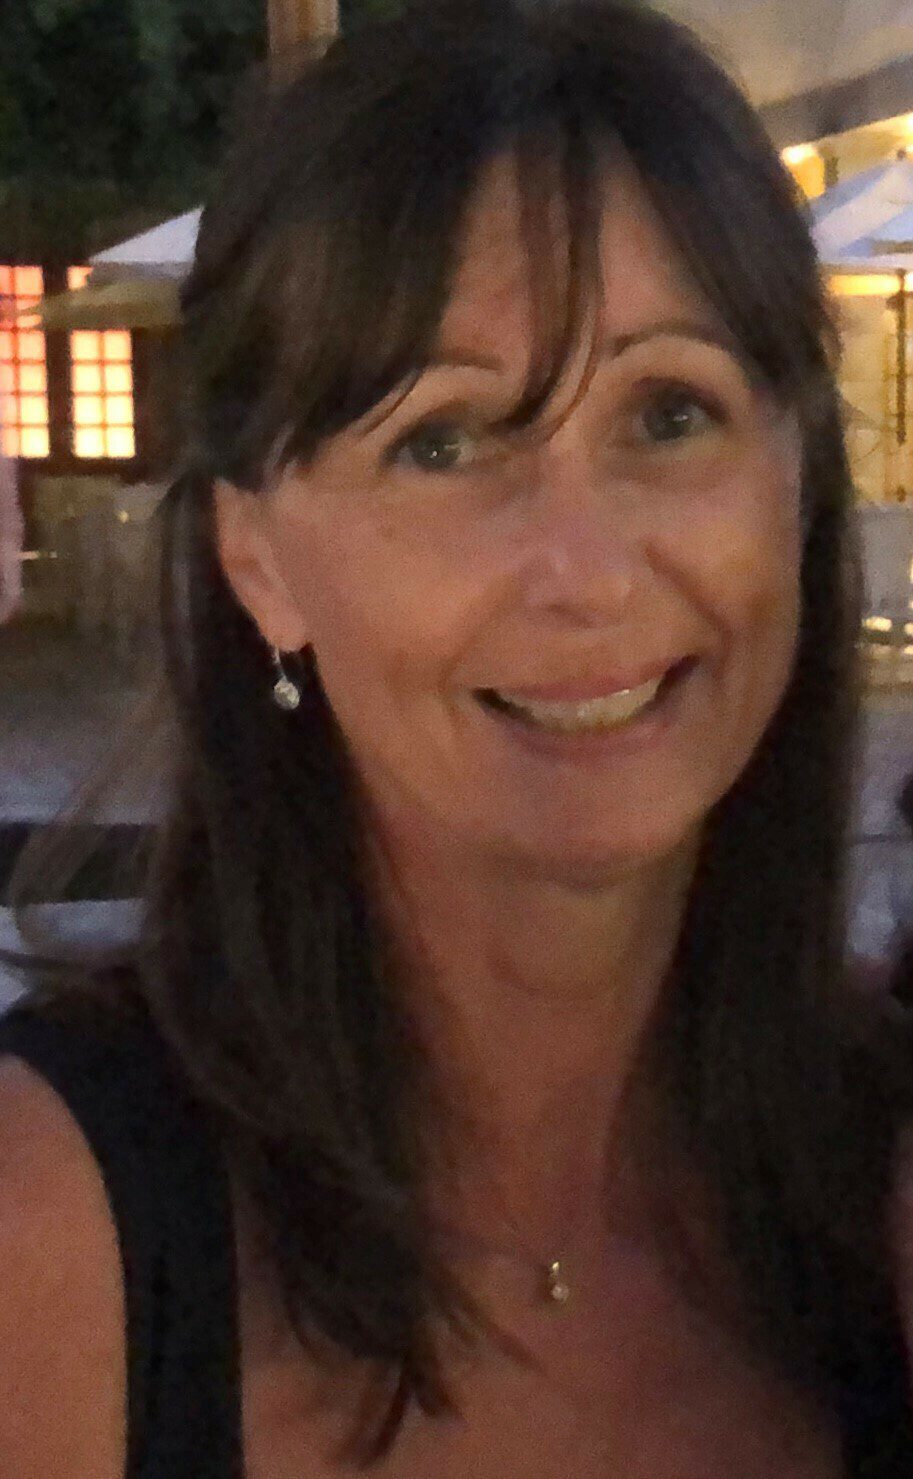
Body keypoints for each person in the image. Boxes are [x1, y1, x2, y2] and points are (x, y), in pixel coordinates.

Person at [0, 2, 912, 1474]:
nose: (586, 572)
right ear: (256, 559)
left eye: (668, 414)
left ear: (795, 487)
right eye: (443, 440)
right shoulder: (51, 1236)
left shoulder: (880, 1199)